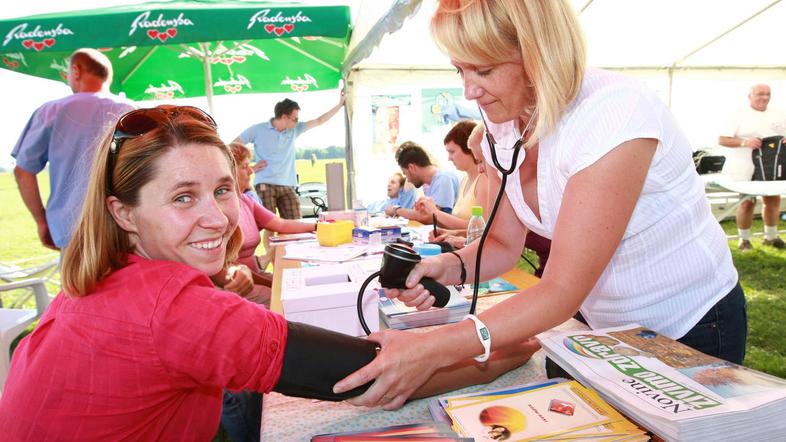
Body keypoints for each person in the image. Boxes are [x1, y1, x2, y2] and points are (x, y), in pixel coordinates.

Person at [0, 105, 539, 438]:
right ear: (123, 213)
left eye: (221, 189)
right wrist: (514, 347)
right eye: (183, 197)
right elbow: (375, 376)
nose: (216, 217)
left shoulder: (106, 278)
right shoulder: (174, 309)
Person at [334, 0, 746, 410]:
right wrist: (445, 266)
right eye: (460, 69)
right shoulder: (500, 122)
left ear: (538, 52)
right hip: (603, 323)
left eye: (485, 69)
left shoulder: (615, 113)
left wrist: (431, 349)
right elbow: (500, 244)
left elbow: (562, 289)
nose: (468, 90)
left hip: (689, 323)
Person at [11, 48, 134, 250]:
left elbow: (23, 171)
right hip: (126, 228)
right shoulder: (133, 112)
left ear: (76, 71)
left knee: (76, 283)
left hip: (70, 231)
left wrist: (42, 220)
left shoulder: (50, 111)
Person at [221, 141, 318, 306]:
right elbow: (228, 268)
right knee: (287, 299)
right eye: (244, 166)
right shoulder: (221, 209)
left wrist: (318, 225)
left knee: (301, 286)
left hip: (256, 275)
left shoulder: (245, 201)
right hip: (238, 283)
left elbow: (281, 224)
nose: (251, 171)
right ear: (229, 171)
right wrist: (274, 282)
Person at [234, 91, 346, 220]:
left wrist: (339, 104)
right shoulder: (257, 129)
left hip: (288, 185)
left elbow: (319, 120)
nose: (297, 122)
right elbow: (233, 146)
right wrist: (250, 168)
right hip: (265, 184)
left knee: (296, 222)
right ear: (284, 117)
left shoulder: (294, 130)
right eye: (295, 119)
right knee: (270, 225)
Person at [718, 84, 786, 251]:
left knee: (773, 200)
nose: (764, 97)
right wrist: (745, 142)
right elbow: (722, 140)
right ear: (750, 96)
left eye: (767, 94)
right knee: (747, 202)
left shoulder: (779, 113)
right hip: (745, 167)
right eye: (760, 94)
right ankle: (744, 241)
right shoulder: (738, 115)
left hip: (771, 167)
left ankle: (770, 237)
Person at [386, 141, 461, 222]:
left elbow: (430, 218)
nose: (409, 180)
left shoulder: (443, 179)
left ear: (412, 168)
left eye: (406, 174)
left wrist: (396, 210)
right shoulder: (433, 183)